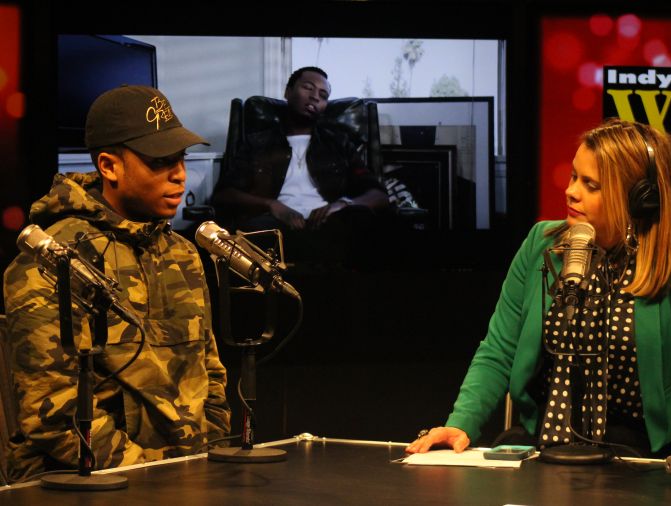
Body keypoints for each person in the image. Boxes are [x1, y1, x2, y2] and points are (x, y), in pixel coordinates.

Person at [406, 118, 671, 457]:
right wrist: (461, 423)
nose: (571, 191)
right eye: (574, 176)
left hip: (640, 449)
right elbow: (499, 349)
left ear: (637, 198)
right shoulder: (541, 244)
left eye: (591, 184)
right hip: (543, 441)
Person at [3, 85, 231, 481]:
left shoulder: (182, 253)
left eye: (180, 158)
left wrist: (206, 459)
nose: (179, 175)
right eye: (160, 161)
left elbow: (209, 371)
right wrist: (153, 476)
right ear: (109, 167)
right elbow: (52, 412)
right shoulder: (53, 260)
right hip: (87, 483)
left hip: (184, 476)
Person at [212, 66, 389, 264]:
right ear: (288, 92)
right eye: (308, 88)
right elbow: (223, 194)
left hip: (330, 225)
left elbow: (379, 195)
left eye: (323, 95)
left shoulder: (339, 144)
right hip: (272, 226)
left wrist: (343, 204)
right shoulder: (257, 143)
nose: (315, 97)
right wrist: (271, 204)